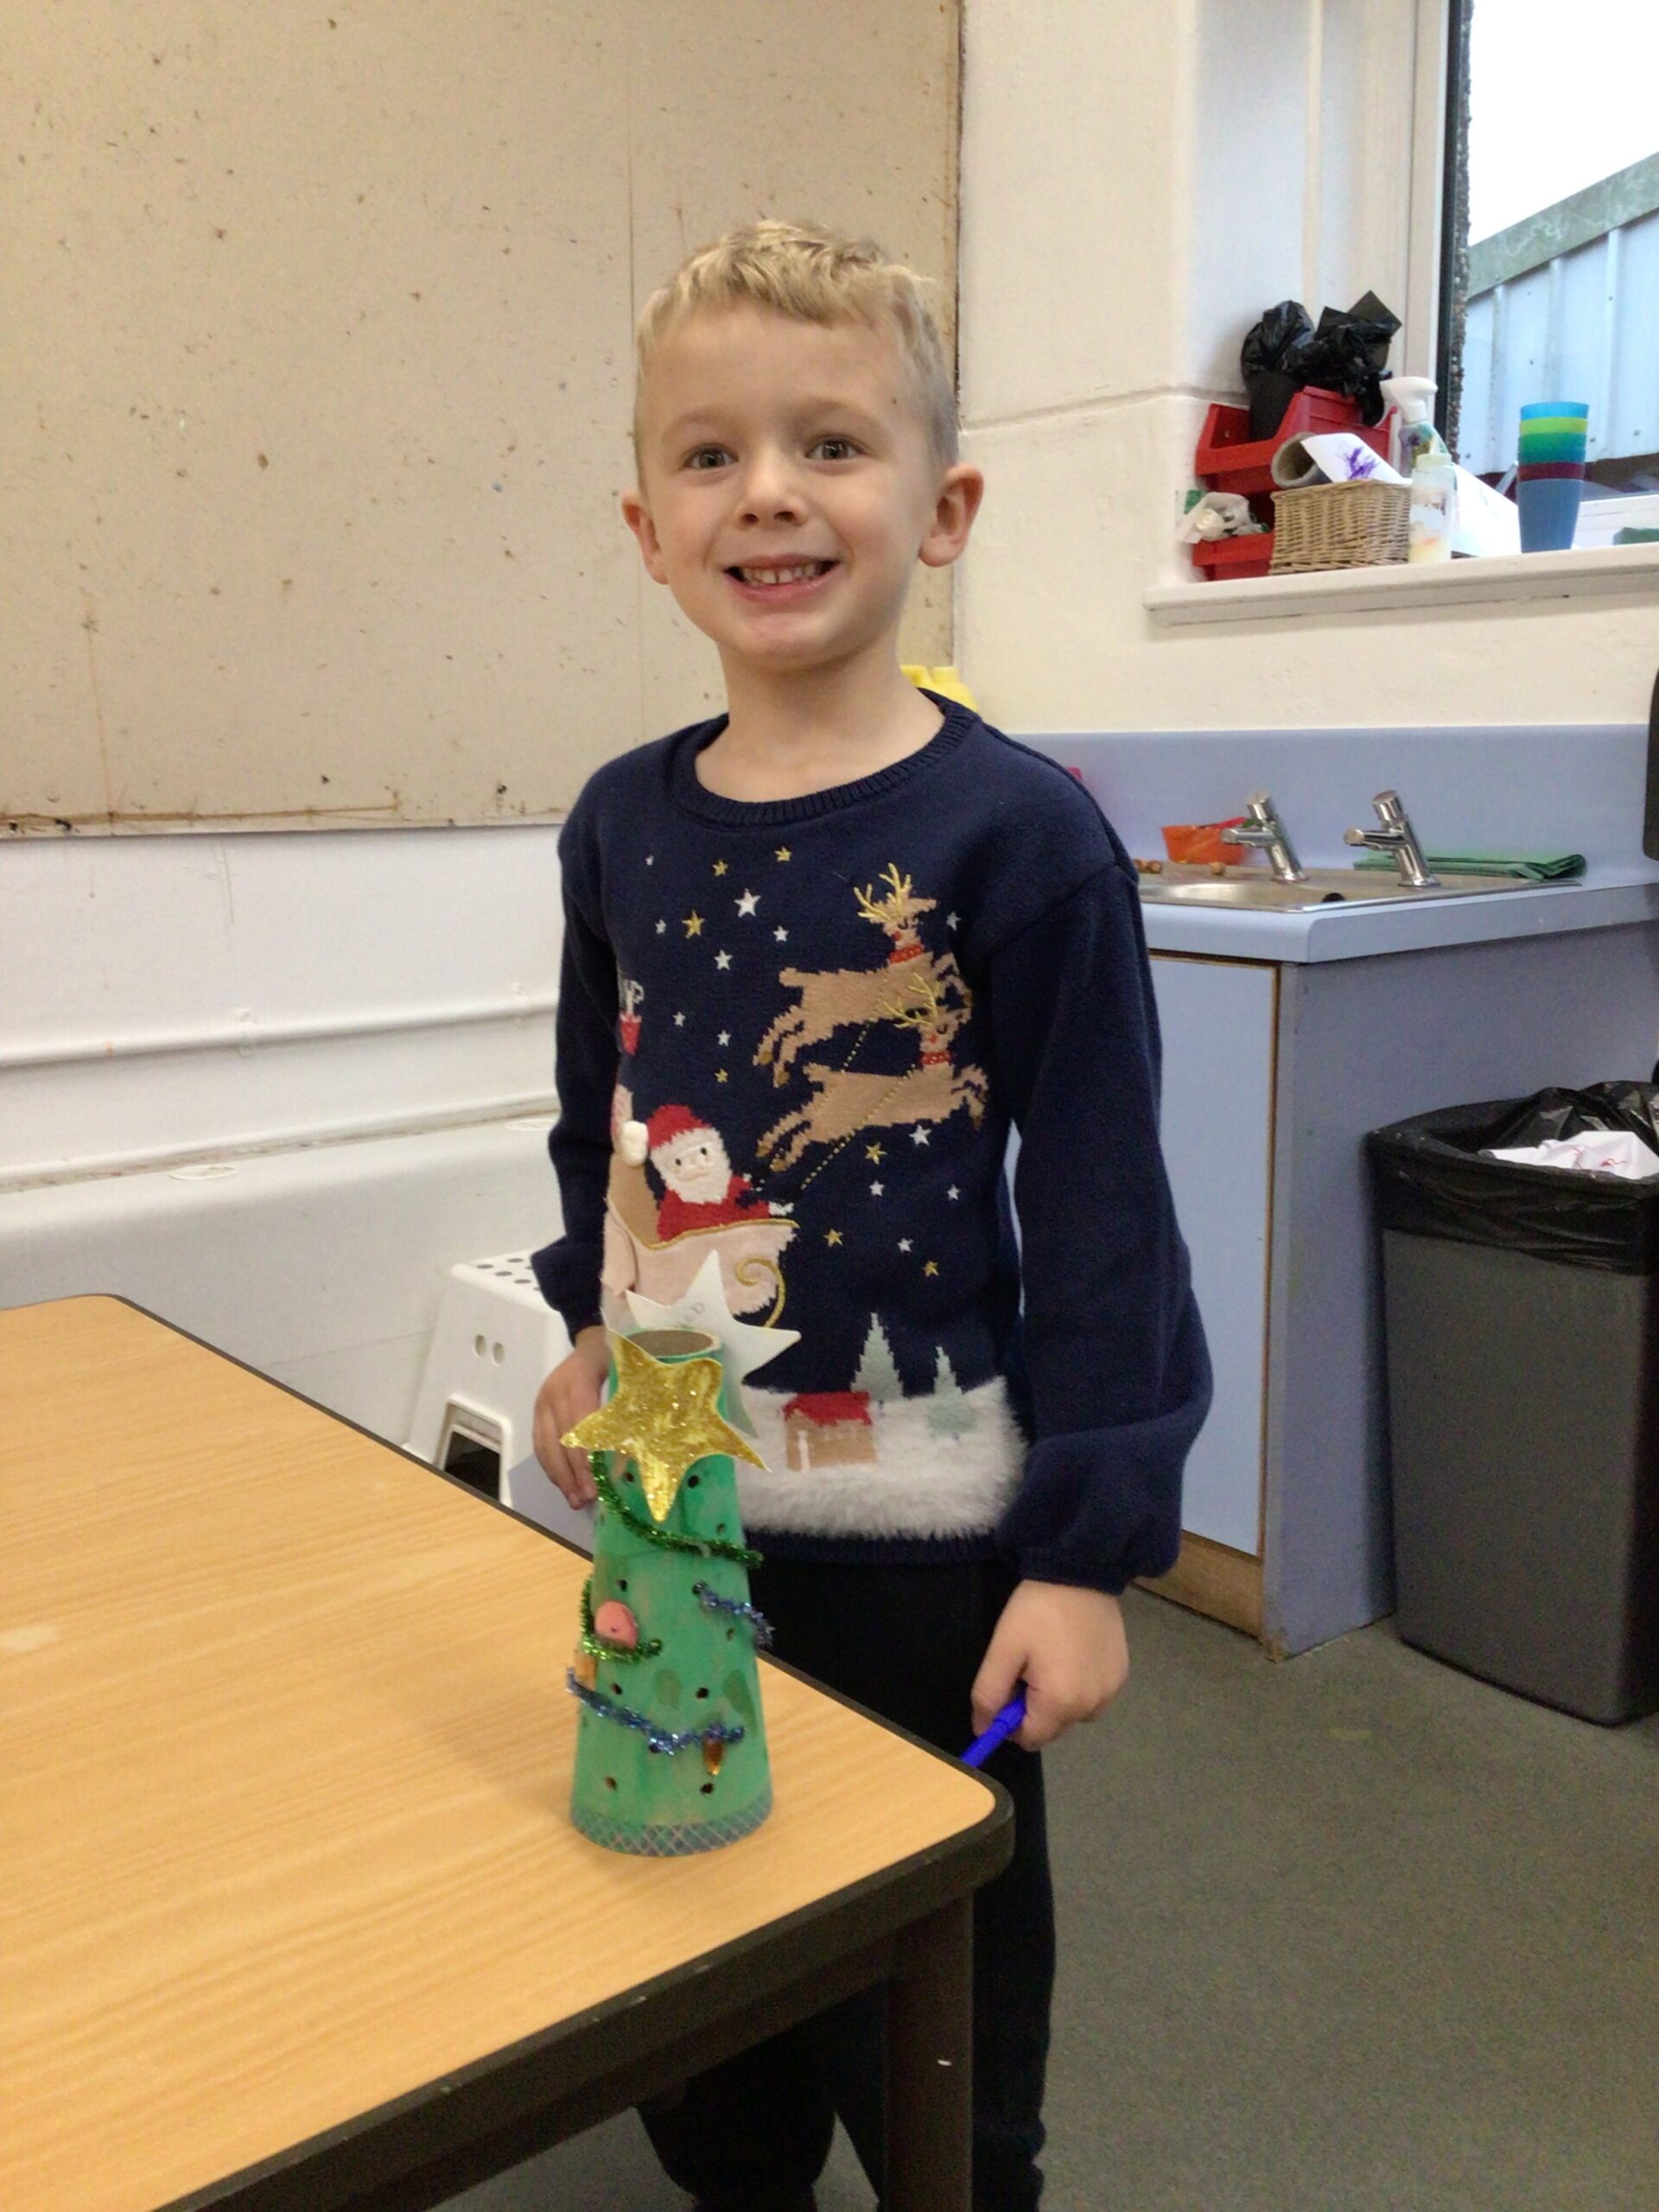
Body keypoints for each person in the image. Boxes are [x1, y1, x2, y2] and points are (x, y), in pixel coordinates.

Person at [530, 218, 1210, 2212]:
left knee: (941, 2021)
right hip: (676, 1492)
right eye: (711, 453)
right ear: (647, 526)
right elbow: (601, 1113)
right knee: (702, 1982)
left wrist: (1086, 1551)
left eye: (831, 442)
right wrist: (591, 1319)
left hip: (929, 1535)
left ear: (945, 505)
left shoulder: (1021, 834)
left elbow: (1103, 1202)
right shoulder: (617, 821)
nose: (768, 492)